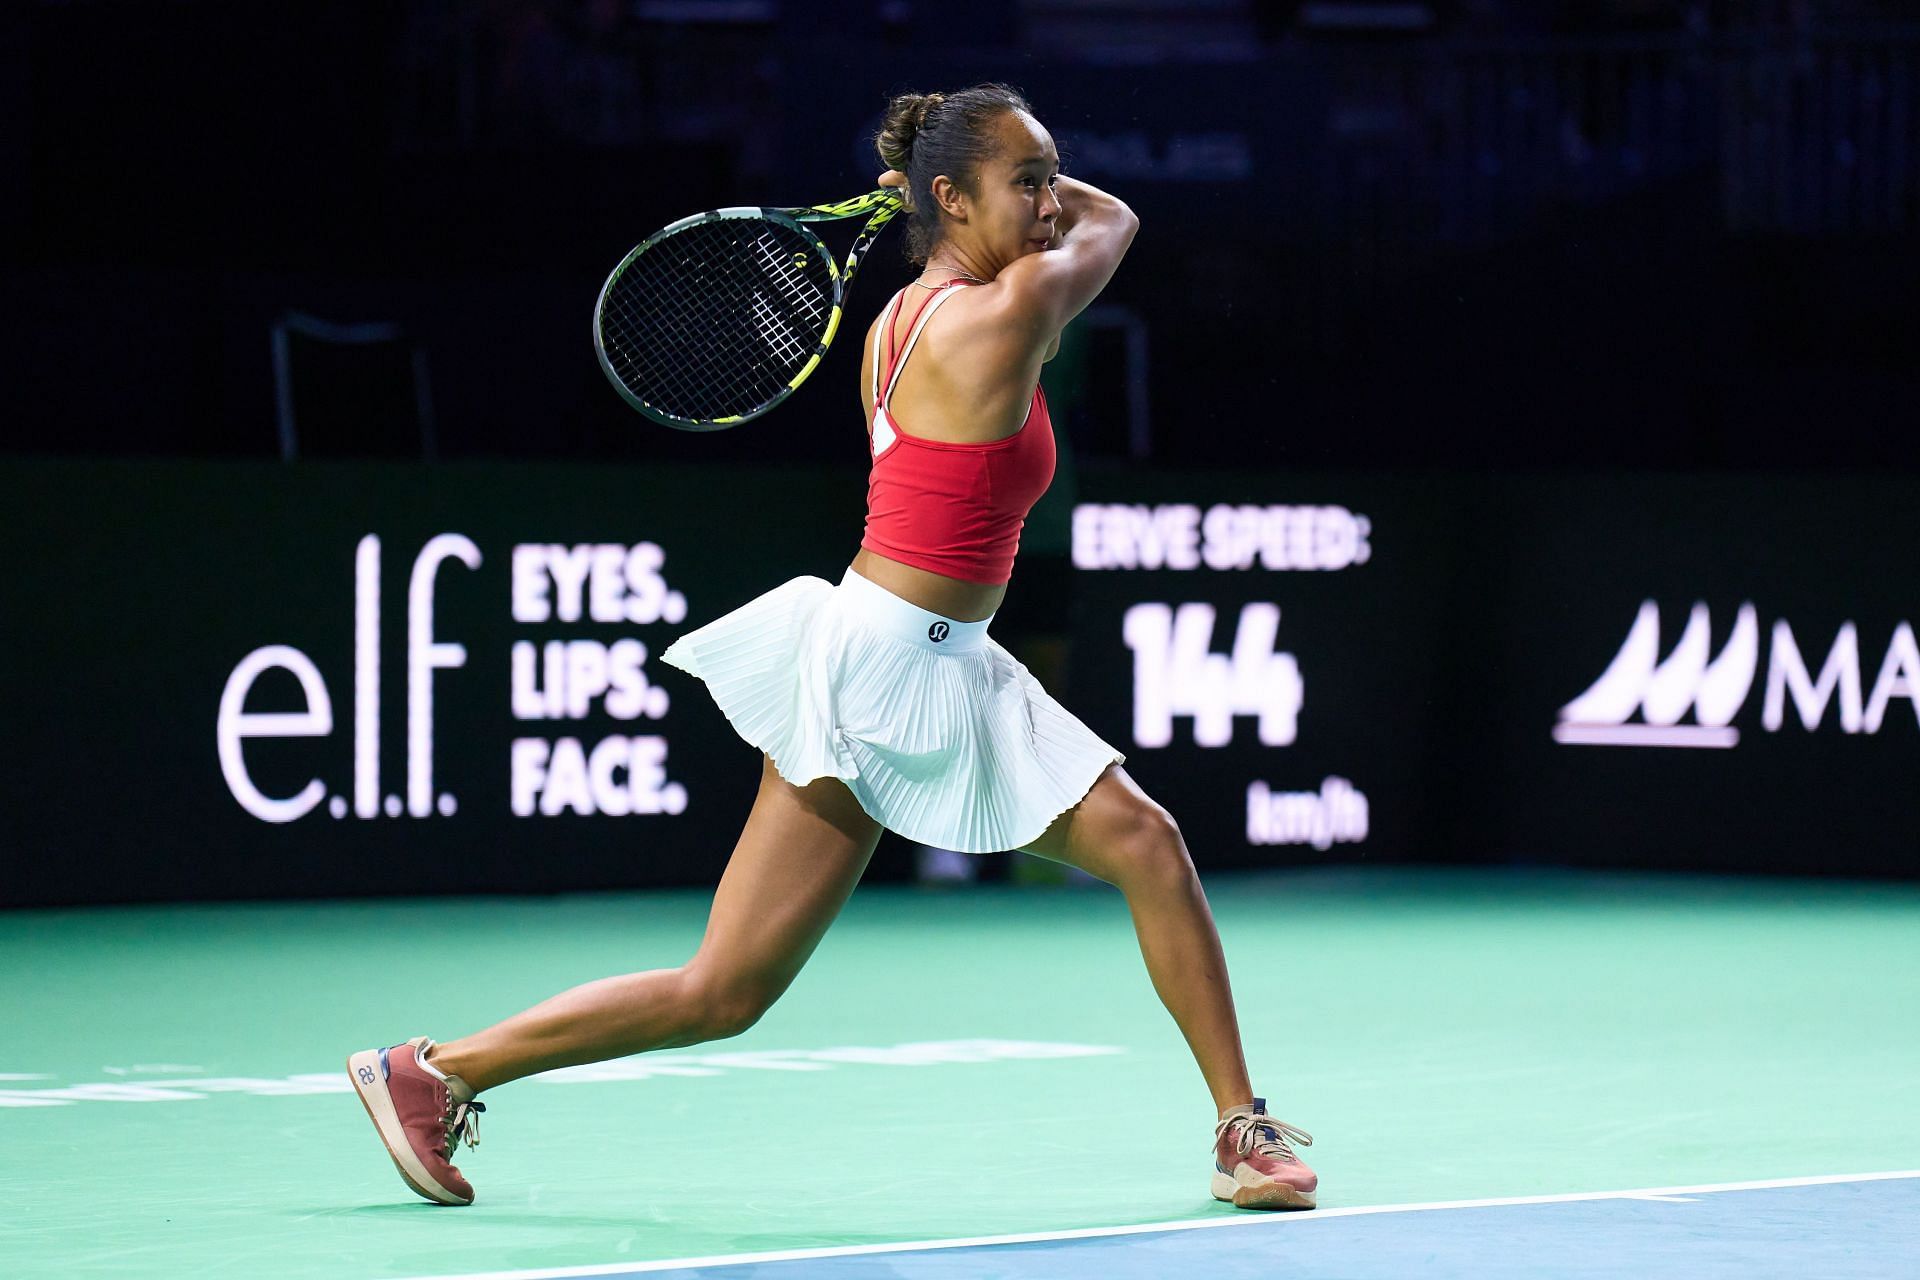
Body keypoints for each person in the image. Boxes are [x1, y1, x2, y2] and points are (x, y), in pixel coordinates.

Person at [347, 83, 1317, 1214]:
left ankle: (432, 1070)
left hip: (898, 651)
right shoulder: (1002, 319)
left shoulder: (904, 312)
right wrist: (963, 183)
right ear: (950, 199)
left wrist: (953, 182)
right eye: (1027, 183)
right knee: (1146, 846)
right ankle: (1240, 1130)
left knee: (725, 988)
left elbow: (1076, 213)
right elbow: (1122, 223)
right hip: (896, 674)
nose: (1054, 204)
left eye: (1054, 177)